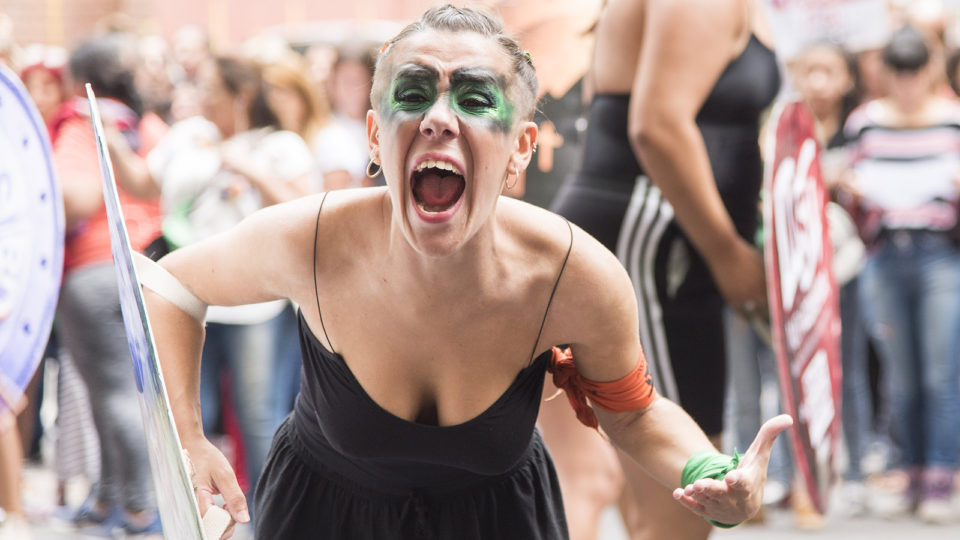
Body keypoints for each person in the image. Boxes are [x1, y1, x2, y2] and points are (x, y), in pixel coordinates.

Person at [140, 5, 791, 539]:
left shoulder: (571, 273)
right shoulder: (312, 240)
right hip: (321, 518)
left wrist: (716, 474)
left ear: (520, 150)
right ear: (375, 137)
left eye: (476, 98)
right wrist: (189, 443)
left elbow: (636, 413)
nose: (439, 118)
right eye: (414, 94)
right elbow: (171, 284)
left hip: (497, 522)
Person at [546, 0, 780, 538]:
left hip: (659, 238)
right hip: (652, 240)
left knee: (637, 499)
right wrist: (730, 256)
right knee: (680, 511)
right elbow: (656, 126)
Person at [840, 25, 960, 524]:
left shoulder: (953, 121)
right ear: (887, 71)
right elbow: (847, 187)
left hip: (939, 254)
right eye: (900, 69)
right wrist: (850, 188)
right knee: (901, 374)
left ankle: (941, 474)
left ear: (930, 69)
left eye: (916, 68)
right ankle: (909, 469)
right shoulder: (865, 122)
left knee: (941, 371)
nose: (908, 80)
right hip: (885, 253)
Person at [51, 36, 163, 535]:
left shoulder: (83, 121)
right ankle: (112, 497)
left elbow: (76, 196)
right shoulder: (149, 124)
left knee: (114, 393)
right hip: (148, 265)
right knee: (122, 392)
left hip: (96, 269)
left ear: (80, 82)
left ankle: (140, 509)